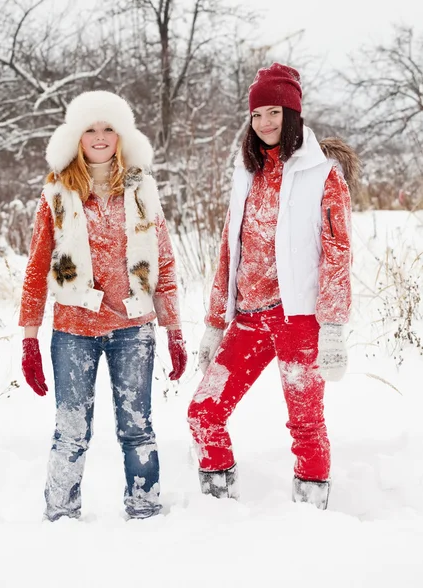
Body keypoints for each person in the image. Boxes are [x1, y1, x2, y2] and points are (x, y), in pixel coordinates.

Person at [187, 62, 359, 509]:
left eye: (274, 113)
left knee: (305, 421)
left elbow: (338, 254)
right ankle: (217, 506)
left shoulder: (322, 176)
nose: (264, 123)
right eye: (257, 114)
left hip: (297, 318)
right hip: (247, 317)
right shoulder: (245, 173)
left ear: (292, 114)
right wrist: (213, 322)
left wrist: (334, 328)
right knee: (204, 410)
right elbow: (230, 249)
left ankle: (310, 511)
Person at [19, 90, 187, 521]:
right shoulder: (56, 194)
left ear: (121, 135)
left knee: (137, 428)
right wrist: (29, 339)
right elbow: (37, 268)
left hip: (134, 329)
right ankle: (60, 515)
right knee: (71, 432)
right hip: (74, 330)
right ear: (75, 136)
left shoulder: (141, 190)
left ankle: (145, 510)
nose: (99, 136)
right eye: (90, 128)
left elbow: (163, 262)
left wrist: (174, 330)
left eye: (108, 128)